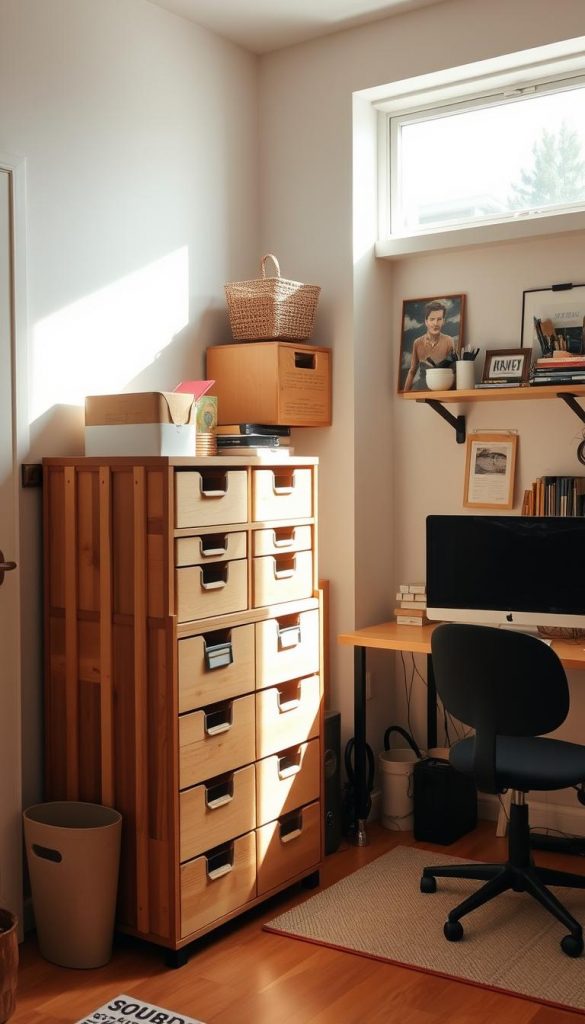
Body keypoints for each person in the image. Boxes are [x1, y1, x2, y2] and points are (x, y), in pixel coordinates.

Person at [403, 300, 456, 392]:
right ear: (426, 321)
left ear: (443, 321)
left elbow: (454, 370)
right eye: (432, 319)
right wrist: (404, 393)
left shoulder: (449, 341)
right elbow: (412, 371)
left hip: (442, 387)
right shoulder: (417, 343)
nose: (435, 323)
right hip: (421, 388)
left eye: (439, 319)